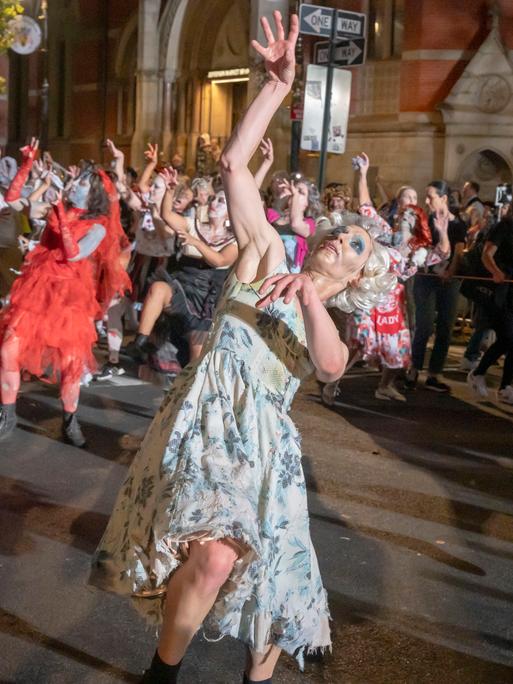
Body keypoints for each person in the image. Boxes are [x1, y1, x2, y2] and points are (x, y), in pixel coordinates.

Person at [89, 12, 394, 684]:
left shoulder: (326, 319)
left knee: (255, 578)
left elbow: (331, 367)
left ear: (353, 280)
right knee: (214, 561)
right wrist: (277, 87)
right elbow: (232, 165)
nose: (341, 240)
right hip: (202, 425)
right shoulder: (261, 255)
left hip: (261, 445)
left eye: (356, 246)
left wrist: (311, 302)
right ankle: (161, 674)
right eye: (341, 234)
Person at [0, 145, 130, 445]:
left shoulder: (96, 226)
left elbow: (73, 255)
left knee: (71, 365)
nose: (74, 183)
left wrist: (60, 214)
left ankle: (70, 419)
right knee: (8, 349)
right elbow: (12, 200)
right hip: (37, 288)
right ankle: (7, 413)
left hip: (70, 297)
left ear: (93, 193)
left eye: (82, 182)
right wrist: (26, 164)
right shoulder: (55, 205)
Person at [405, 180, 467, 392]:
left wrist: (451, 270)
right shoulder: (424, 222)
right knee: (424, 325)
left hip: (450, 281)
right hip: (427, 278)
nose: (427, 201)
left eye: (431, 196)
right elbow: (420, 248)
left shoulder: (458, 223)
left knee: (445, 327)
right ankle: (414, 368)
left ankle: (434, 373)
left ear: (444, 198)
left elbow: (458, 250)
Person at [467, 206, 513, 404]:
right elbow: (487, 254)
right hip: (502, 290)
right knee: (508, 337)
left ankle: (505, 387)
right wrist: (496, 272)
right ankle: (478, 373)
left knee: (511, 339)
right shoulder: (504, 227)